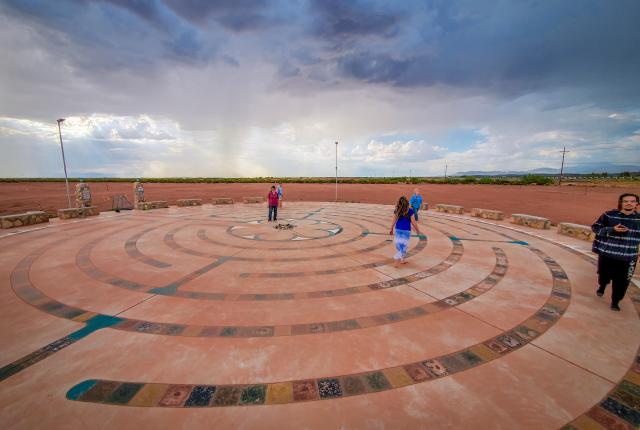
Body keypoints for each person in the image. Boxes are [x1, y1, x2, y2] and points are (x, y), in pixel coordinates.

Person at [591, 193, 640, 311]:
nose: (629, 203)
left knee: (622, 281)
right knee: (603, 275)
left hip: (628, 257)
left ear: (637, 204)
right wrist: (612, 229)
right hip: (608, 253)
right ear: (621, 203)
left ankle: (615, 301)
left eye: (632, 201)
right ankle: (602, 286)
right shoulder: (609, 215)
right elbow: (595, 228)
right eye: (626, 201)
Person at [389, 196, 421, 267]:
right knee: (404, 246)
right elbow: (414, 222)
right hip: (406, 231)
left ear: (399, 203)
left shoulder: (397, 210)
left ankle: (402, 259)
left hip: (398, 230)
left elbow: (394, 220)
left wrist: (391, 229)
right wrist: (417, 230)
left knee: (399, 245)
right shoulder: (410, 211)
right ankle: (397, 258)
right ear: (407, 202)